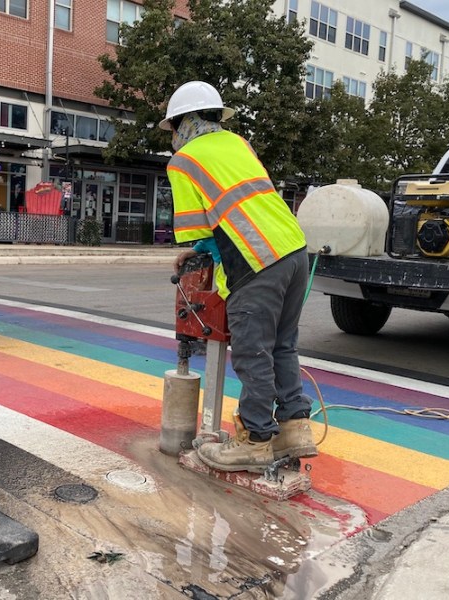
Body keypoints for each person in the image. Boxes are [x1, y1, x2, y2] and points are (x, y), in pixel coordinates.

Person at [159, 81, 317, 473]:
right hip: (294, 249)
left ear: (182, 122)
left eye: (173, 129)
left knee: (253, 351)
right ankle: (295, 428)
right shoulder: (238, 144)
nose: (174, 137)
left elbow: (200, 232)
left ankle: (257, 439)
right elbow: (239, 205)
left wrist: (196, 252)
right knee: (282, 345)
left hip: (256, 259)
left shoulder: (183, 161)